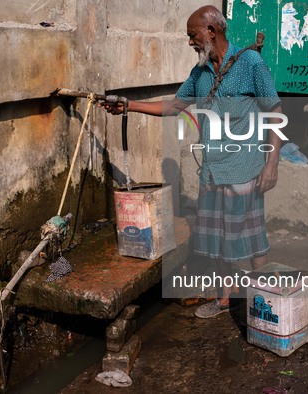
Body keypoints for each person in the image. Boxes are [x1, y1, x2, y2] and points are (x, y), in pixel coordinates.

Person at [102, 5, 284, 318]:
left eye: (193, 35)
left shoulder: (250, 62)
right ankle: (225, 298)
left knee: (253, 243)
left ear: (212, 31)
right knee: (218, 243)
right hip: (212, 172)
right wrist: (129, 105)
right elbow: (174, 105)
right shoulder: (199, 73)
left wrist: (272, 164)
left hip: (244, 171)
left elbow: (276, 113)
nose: (190, 43)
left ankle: (268, 304)